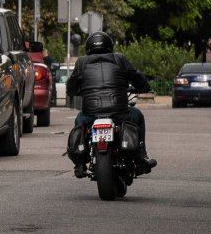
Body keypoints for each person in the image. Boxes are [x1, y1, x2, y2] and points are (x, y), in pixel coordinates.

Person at [65, 31, 155, 176]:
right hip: (119, 113)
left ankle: (80, 163)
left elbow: (71, 86)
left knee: (79, 120)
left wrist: (76, 91)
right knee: (138, 116)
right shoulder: (119, 59)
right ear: (109, 46)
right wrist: (144, 87)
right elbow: (136, 76)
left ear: (88, 48)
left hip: (91, 115)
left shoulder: (81, 62)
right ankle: (140, 157)